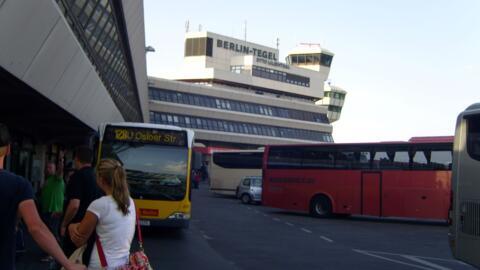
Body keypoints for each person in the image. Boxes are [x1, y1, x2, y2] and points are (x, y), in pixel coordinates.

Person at [0, 123, 85, 270]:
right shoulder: (18, 185)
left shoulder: (55, 180)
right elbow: (36, 227)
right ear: (8, 149)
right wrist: (68, 264)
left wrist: (61, 161)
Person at [68, 159, 136, 269]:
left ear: (101, 179)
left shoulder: (99, 205)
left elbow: (79, 240)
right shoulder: (130, 202)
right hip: (123, 265)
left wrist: (71, 226)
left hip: (101, 265)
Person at [60, 146, 101, 260]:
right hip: (92, 227)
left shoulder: (77, 176)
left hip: (76, 229)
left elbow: (74, 204)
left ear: (77, 159)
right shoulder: (97, 177)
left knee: (70, 258)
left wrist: (64, 224)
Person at [40, 156, 65, 262]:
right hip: (46, 211)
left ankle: (53, 255)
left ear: (55, 169)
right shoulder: (48, 180)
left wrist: (61, 161)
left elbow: (60, 171)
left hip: (54, 211)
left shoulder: (57, 178)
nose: (48, 169)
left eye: (50, 168)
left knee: (52, 233)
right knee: (50, 233)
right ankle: (53, 253)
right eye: (47, 168)